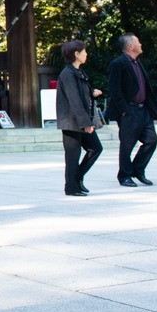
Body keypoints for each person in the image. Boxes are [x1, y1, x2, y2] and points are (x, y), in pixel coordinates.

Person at [106, 34, 157, 187]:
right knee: (127, 144)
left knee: (151, 140)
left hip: (143, 110)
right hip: (129, 110)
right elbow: (114, 89)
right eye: (138, 42)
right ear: (131, 46)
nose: (141, 44)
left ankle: (137, 169)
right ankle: (124, 175)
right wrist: (124, 110)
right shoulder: (118, 64)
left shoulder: (137, 63)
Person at [55, 40, 104, 197]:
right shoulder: (68, 74)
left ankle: (77, 178)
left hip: (80, 120)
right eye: (84, 51)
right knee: (72, 155)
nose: (86, 54)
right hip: (71, 121)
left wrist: (92, 92)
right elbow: (74, 99)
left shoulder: (79, 72)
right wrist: (86, 122)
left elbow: (81, 94)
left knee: (96, 148)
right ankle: (71, 187)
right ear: (76, 54)